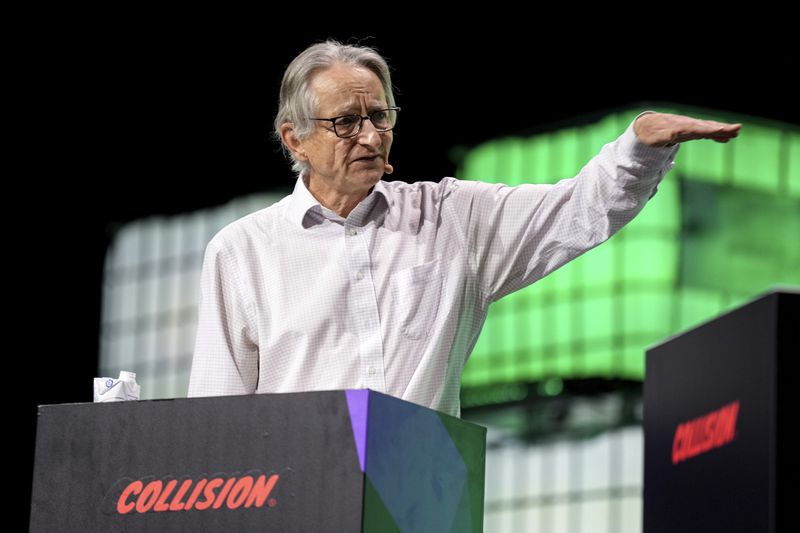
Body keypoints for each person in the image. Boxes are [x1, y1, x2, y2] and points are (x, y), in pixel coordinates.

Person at [187, 40, 741, 417]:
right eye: (346, 122)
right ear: (294, 139)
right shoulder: (242, 252)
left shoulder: (452, 219)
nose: (372, 136)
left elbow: (576, 210)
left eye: (380, 117)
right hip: (298, 499)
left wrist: (638, 147)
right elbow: (214, 414)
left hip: (421, 495)